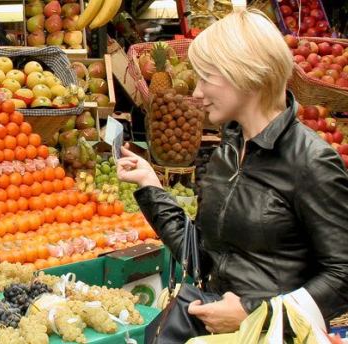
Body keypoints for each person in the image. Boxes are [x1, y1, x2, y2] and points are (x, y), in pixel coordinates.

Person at [117, 9, 348, 336]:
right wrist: (150, 187)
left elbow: (343, 276)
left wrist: (257, 315)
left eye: (207, 78)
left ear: (246, 74)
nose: (196, 93)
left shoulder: (311, 161)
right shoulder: (226, 155)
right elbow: (202, 254)